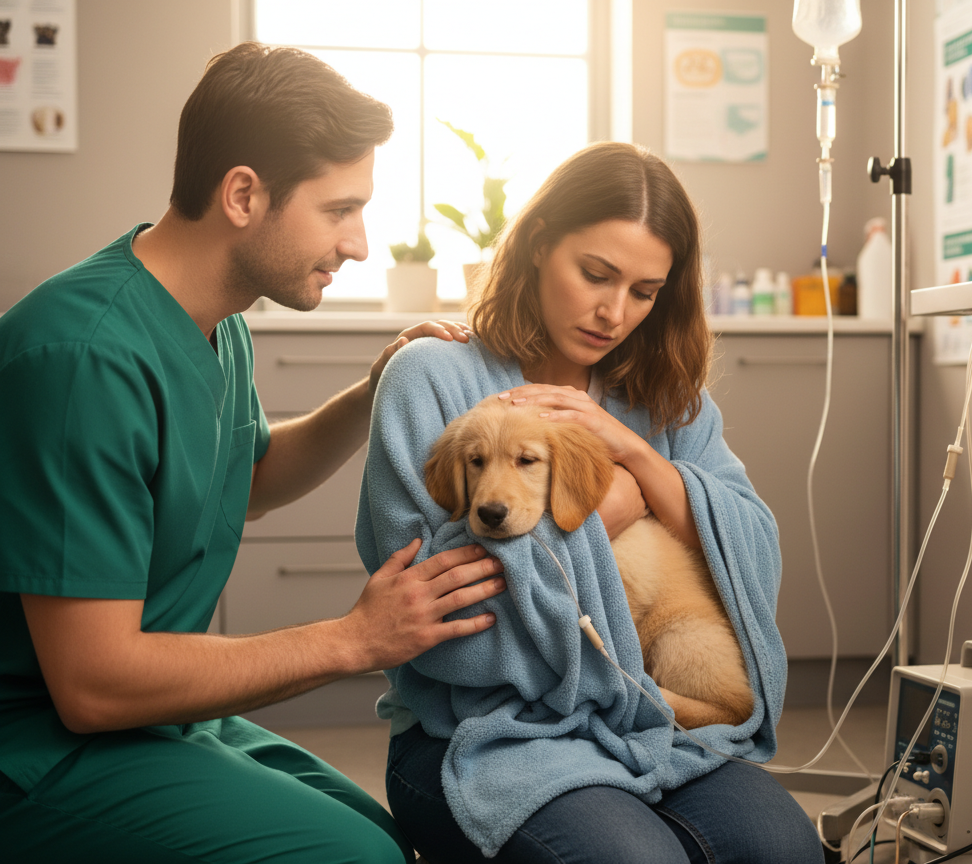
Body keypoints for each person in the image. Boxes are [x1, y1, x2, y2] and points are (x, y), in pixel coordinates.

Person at [0, 42, 507, 863]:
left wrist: (375, 389)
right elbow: (92, 685)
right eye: (339, 210)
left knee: (385, 833)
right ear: (243, 194)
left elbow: (250, 478)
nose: (360, 245)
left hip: (154, 713)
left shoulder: (214, 317)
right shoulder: (81, 357)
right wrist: (356, 638)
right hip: (40, 744)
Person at [357, 142, 824, 863]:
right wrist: (610, 515)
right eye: (596, 274)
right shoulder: (433, 377)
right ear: (540, 245)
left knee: (780, 848)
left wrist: (635, 460)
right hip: (481, 732)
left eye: (644, 291)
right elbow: (426, 596)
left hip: (653, 722)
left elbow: (753, 549)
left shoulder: (669, 404)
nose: (614, 312)